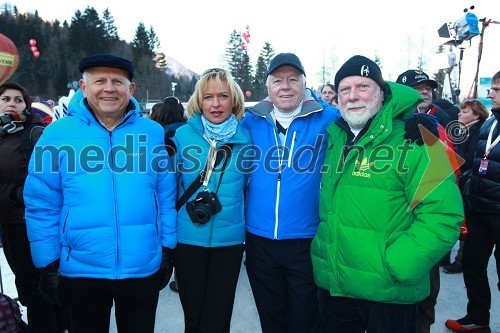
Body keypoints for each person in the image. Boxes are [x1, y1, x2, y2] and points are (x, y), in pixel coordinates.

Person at [23, 54, 176, 333]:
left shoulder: (152, 133)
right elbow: (41, 204)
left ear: (131, 89)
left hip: (141, 266)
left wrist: (167, 249)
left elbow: (164, 196)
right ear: (83, 87)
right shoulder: (57, 134)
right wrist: (47, 263)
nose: (109, 88)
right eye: (99, 81)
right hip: (81, 269)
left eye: (118, 81)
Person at [311, 55, 463, 333]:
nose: (353, 96)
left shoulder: (417, 139)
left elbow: (443, 215)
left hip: (388, 294)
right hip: (336, 289)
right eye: (345, 89)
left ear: (382, 92)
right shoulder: (334, 137)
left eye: (363, 87)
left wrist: (398, 265)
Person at [241, 53, 341, 333]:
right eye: (277, 80)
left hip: (305, 239)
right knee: (270, 316)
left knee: (305, 318)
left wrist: (410, 121)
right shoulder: (251, 121)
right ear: (268, 87)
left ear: (304, 84)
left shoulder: (329, 118)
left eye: (292, 79)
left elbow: (367, 123)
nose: (285, 86)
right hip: (259, 238)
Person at [172, 68, 251, 333]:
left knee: (218, 320)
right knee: (193, 318)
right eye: (208, 97)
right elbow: (168, 189)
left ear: (234, 101)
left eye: (223, 96)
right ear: (198, 101)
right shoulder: (182, 136)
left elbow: (253, 189)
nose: (215, 104)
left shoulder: (247, 139)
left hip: (228, 244)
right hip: (187, 240)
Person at [397, 68, 460, 333]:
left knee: (426, 300)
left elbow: (450, 172)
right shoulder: (387, 126)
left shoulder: (438, 124)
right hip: (396, 229)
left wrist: (431, 139)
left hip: (426, 226)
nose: (425, 91)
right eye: (417, 87)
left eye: (428, 87)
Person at [0, 82, 67, 332]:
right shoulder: (2, 133)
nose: (12, 103)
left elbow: (45, 177)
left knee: (37, 286)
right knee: (27, 283)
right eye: (6, 98)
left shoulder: (34, 133)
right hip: (8, 223)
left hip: (28, 222)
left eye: (18, 100)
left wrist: (18, 195)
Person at [445, 70, 500, 333]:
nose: (491, 94)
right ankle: (478, 318)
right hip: (478, 208)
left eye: (498, 90)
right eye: (493, 89)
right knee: (472, 265)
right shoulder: (489, 125)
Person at [444, 98, 489, 275]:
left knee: (467, 223)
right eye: (460, 110)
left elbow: (471, 159)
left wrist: (450, 152)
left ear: (476, 114)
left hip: (470, 184)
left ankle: (461, 259)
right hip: (463, 181)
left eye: (465, 111)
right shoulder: (466, 130)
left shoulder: (479, 131)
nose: (459, 113)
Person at [149, 95, 187, 293]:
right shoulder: (187, 130)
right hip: (186, 189)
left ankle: (168, 267)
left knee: (167, 229)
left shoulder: (158, 133)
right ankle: (183, 275)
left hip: (164, 189)